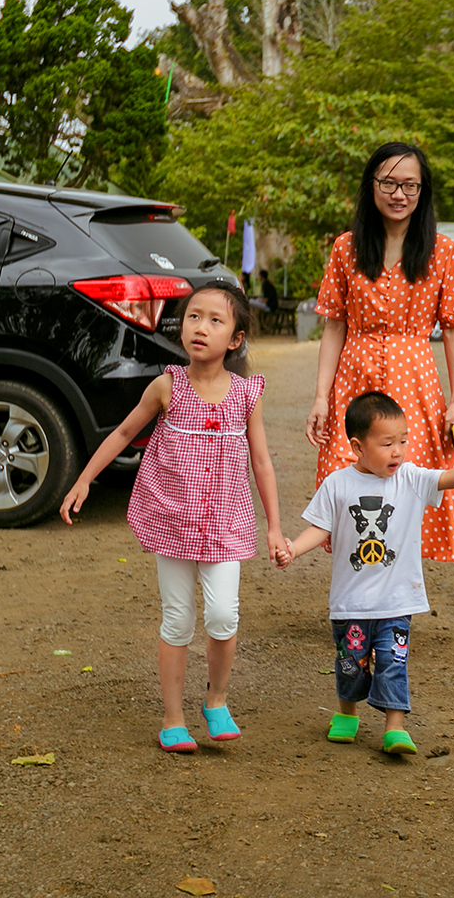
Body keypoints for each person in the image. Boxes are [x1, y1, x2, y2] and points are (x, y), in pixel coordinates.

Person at [60, 281, 286, 754]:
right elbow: (124, 432)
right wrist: (84, 479)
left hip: (226, 523)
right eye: (193, 317)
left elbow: (261, 461)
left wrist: (275, 525)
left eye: (215, 320)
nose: (201, 327)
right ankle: (173, 718)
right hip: (173, 521)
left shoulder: (247, 394)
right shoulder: (166, 386)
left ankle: (217, 701)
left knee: (224, 615)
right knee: (178, 619)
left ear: (236, 339)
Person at [279, 391, 454, 752]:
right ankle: (347, 713)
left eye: (403, 440)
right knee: (350, 663)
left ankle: (394, 727)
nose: (398, 451)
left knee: (393, 661)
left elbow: (446, 477)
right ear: (357, 446)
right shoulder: (338, 484)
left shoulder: (410, 478)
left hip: (398, 599)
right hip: (351, 601)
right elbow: (320, 528)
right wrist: (293, 548)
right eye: (387, 443)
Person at [308, 142, 454, 563]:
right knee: (346, 479)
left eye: (410, 185)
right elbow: (334, 325)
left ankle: (394, 602)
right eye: (388, 182)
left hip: (416, 386)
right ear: (372, 186)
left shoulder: (444, 251)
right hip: (353, 380)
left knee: (407, 484)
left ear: (423, 192)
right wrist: (319, 398)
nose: (399, 194)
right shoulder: (346, 248)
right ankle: (355, 594)